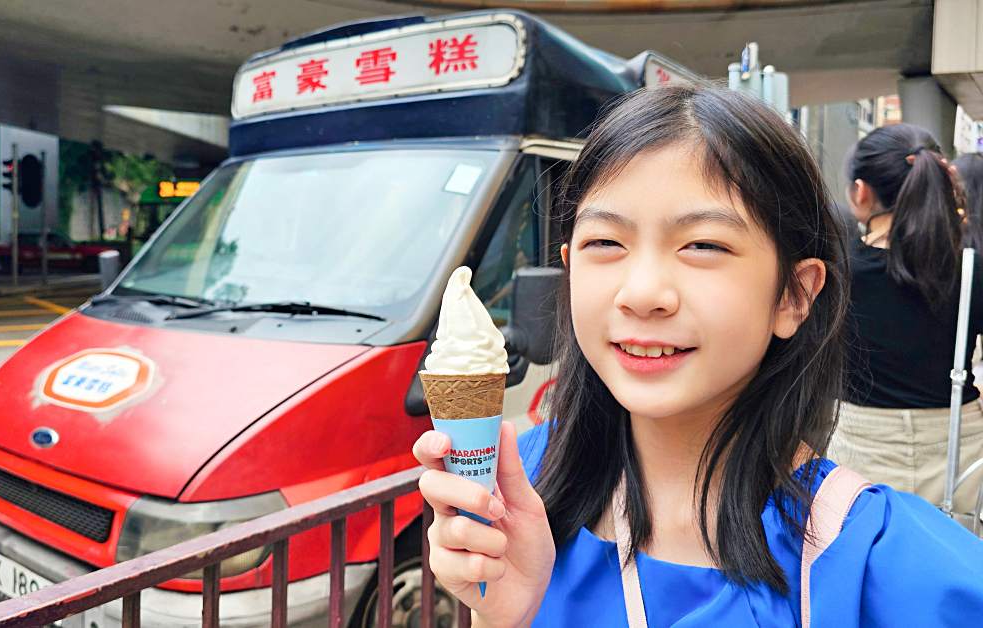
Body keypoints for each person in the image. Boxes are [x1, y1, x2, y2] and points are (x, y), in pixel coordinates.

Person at [412, 85, 983, 627]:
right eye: (605, 243)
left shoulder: (892, 567)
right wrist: (501, 613)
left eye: (703, 245)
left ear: (794, 295)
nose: (640, 293)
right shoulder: (517, 484)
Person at [830, 124, 983, 511]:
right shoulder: (970, 268)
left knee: (867, 565)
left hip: (860, 446)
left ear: (861, 192)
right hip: (958, 444)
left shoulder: (834, 270)